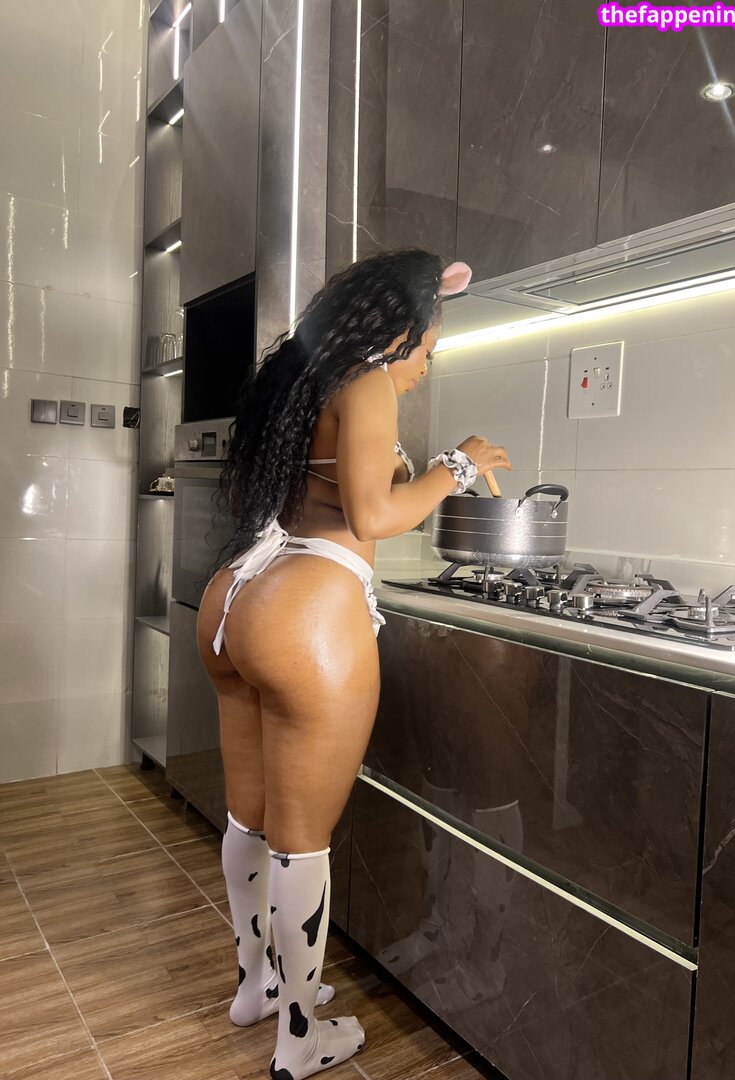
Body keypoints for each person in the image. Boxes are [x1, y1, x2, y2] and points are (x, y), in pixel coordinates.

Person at [196, 248, 512, 1080]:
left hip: (240, 596)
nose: (423, 367)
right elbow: (375, 514)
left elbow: (322, 494)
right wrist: (457, 465)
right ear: (399, 327)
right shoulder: (367, 379)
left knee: (248, 819)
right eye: (427, 349)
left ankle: (257, 985)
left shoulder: (301, 381)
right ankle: (300, 1040)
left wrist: (412, 471)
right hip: (307, 613)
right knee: (302, 843)